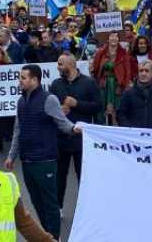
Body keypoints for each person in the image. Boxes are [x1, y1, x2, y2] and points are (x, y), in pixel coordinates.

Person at [5, 65, 79, 240]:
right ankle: (46, 235)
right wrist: (11, 156)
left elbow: (63, 123)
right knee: (37, 203)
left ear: (35, 80)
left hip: (45, 161)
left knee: (50, 204)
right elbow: (18, 130)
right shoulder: (21, 101)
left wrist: (75, 129)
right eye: (20, 77)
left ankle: (54, 237)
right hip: (27, 161)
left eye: (23, 78)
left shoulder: (49, 99)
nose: (20, 81)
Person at [50, 53, 101, 218]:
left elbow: (97, 106)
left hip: (82, 139)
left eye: (60, 64)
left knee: (84, 177)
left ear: (70, 65)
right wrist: (59, 111)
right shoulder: (56, 84)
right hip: (60, 138)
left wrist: (77, 104)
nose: (58, 67)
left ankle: (87, 209)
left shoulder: (89, 83)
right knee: (59, 176)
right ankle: (58, 207)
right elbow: (49, 108)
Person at [92, 32, 132, 125]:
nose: (114, 38)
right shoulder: (100, 53)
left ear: (118, 39)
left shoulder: (123, 53)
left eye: (116, 36)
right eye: (112, 36)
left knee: (117, 108)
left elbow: (127, 71)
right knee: (101, 107)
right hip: (103, 84)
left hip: (117, 84)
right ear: (108, 39)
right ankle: (101, 128)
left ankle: (117, 128)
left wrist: (124, 86)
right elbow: (96, 68)